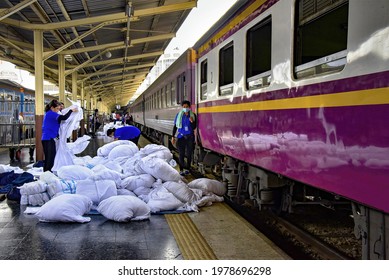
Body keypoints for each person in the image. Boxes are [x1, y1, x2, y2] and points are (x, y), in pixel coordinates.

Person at [41, 99, 78, 172]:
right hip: (48, 138)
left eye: (59, 109)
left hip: (49, 138)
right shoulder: (51, 114)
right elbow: (64, 118)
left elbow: (56, 124)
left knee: (51, 156)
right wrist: (71, 111)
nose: (58, 110)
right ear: (52, 108)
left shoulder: (51, 113)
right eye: (57, 108)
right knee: (49, 157)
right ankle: (47, 172)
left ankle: (48, 171)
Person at [171, 100, 197, 176]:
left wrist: (192, 122)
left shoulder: (193, 115)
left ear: (189, 107)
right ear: (182, 107)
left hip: (190, 137)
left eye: (187, 107)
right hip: (181, 136)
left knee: (189, 154)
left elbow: (194, 127)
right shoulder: (178, 115)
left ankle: (187, 169)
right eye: (184, 107)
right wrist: (173, 136)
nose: (185, 108)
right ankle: (181, 169)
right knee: (181, 154)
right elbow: (175, 126)